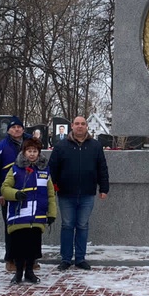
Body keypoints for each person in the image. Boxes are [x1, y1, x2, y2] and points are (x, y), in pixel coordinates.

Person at [49, 115, 109, 270]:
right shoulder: (61, 146)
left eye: (83, 124)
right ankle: (66, 259)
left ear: (87, 126)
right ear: (72, 126)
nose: (80, 126)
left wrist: (104, 188)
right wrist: (51, 188)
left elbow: (102, 168)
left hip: (87, 193)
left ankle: (80, 258)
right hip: (66, 193)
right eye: (77, 124)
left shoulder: (95, 146)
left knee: (82, 225)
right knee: (67, 225)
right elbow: (53, 169)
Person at [1, 137, 57, 284]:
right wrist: (15, 194)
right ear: (24, 152)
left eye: (35, 151)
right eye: (29, 151)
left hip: (37, 215)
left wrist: (51, 213)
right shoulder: (15, 169)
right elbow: (5, 188)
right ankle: (18, 273)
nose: (32, 154)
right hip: (20, 215)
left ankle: (30, 272)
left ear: (39, 153)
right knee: (19, 246)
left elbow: (50, 193)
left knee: (33, 247)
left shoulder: (44, 171)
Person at [0, 116, 29, 273]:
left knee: (28, 226)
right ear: (8, 130)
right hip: (9, 192)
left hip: (28, 191)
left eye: (19, 127)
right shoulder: (0, 146)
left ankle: (28, 258)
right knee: (11, 227)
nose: (17, 129)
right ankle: (11, 259)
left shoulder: (30, 143)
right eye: (13, 127)